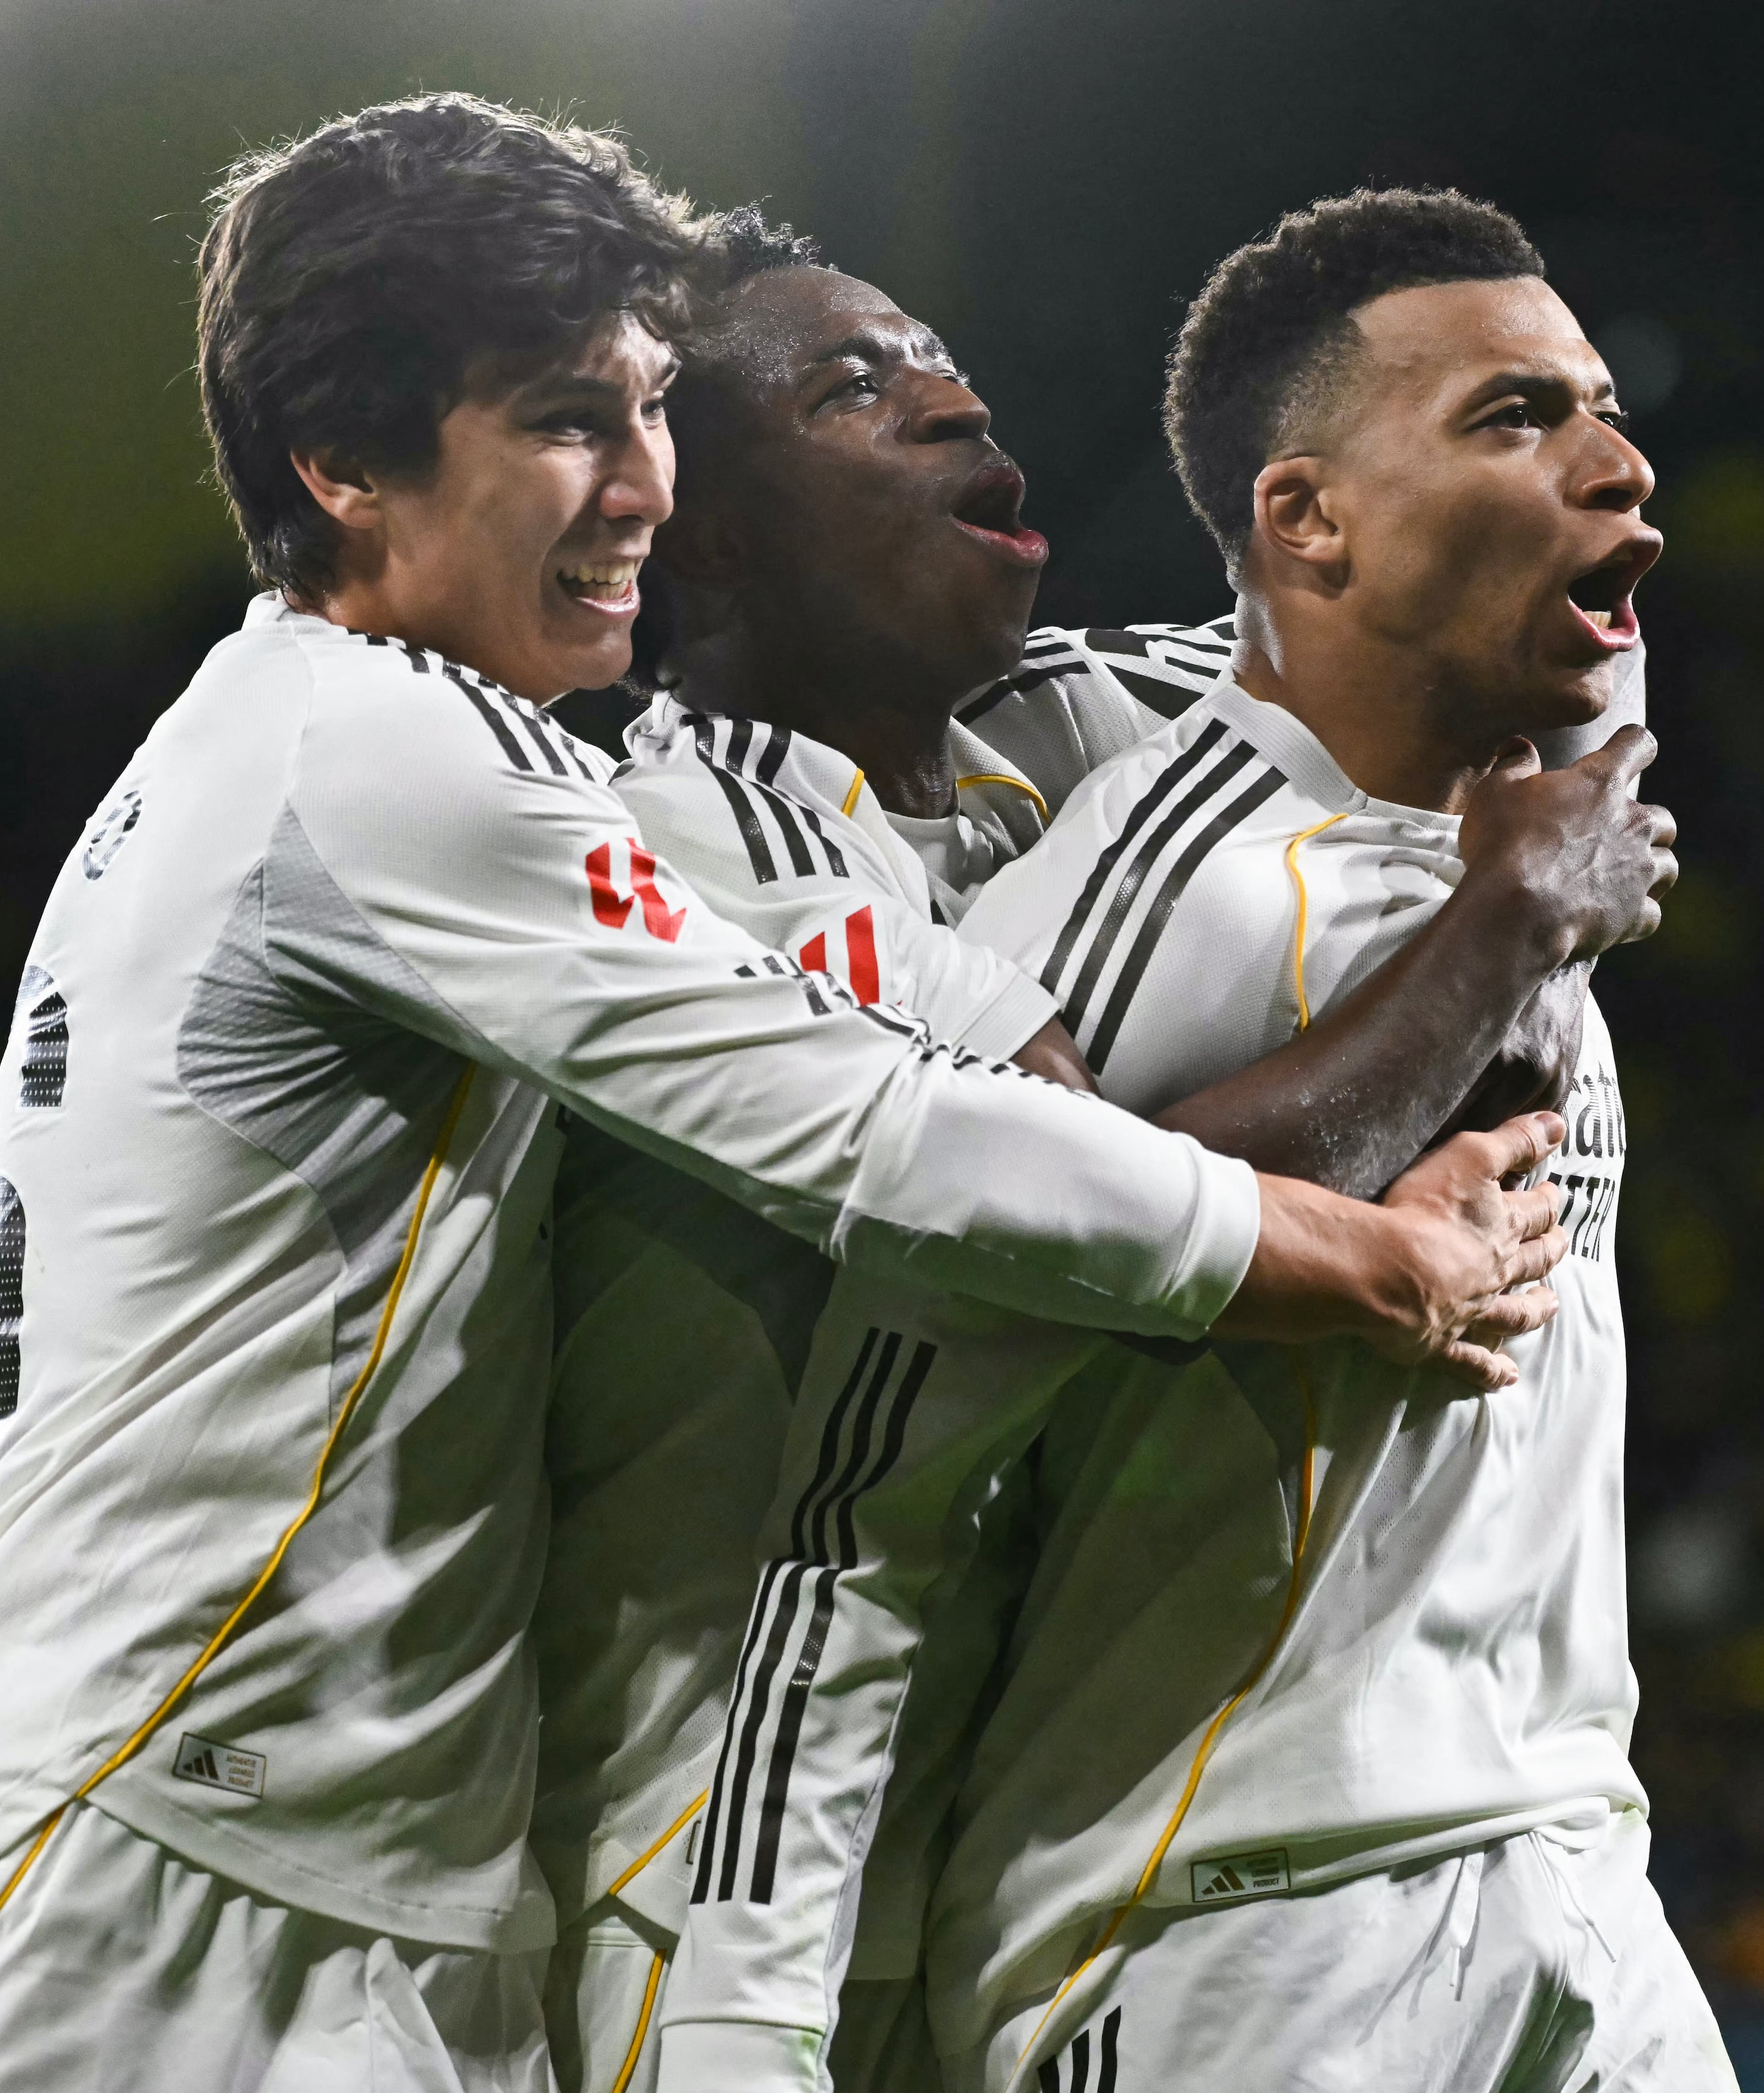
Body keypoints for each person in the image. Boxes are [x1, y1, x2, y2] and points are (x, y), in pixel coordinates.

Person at [0, 104, 1564, 2093]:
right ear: (341, 463)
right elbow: (891, 1141)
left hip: (341, 1890)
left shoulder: (359, 747)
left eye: (646, 409)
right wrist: (1377, 1259)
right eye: (562, 420)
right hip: (127, 1875)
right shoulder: (379, 758)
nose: (635, 483)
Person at [527, 212, 1677, 2093]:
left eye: (933, 365)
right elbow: (1058, 1188)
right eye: (852, 390)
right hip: (707, 1857)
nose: (949, 402)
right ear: (703, 529)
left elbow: (1480, 629)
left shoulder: (1064, 725)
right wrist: (1474, 982)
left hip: (992, 1807)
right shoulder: (681, 853)